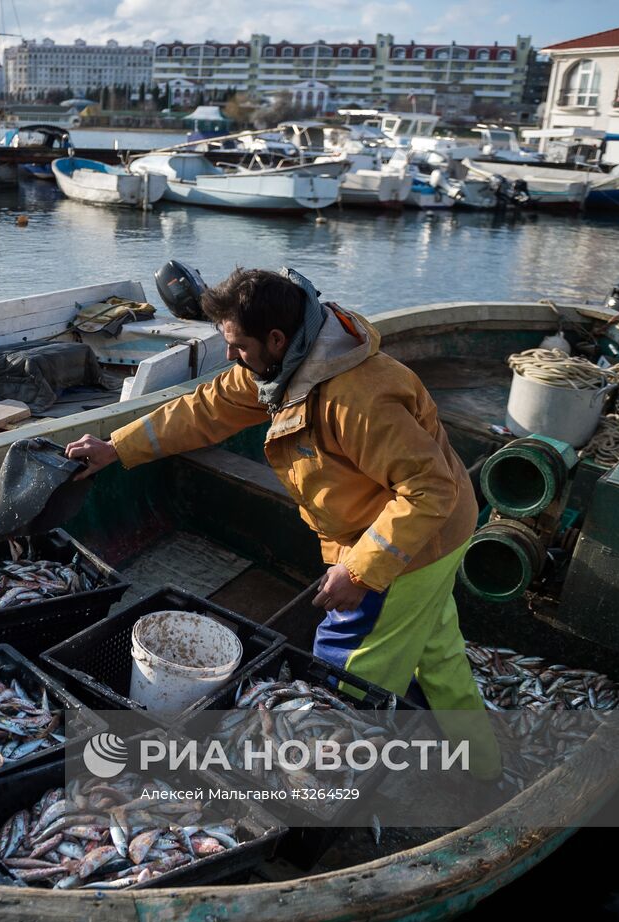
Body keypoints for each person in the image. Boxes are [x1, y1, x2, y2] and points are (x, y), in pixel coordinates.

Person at [65, 267, 501, 780]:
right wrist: (115, 448)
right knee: (439, 654)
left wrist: (360, 572)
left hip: (412, 545)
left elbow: (429, 491)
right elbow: (204, 410)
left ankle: (325, 790)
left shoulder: (357, 399)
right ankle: (487, 772)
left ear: (276, 338)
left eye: (238, 346)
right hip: (433, 530)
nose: (231, 357)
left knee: (343, 675)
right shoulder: (282, 368)